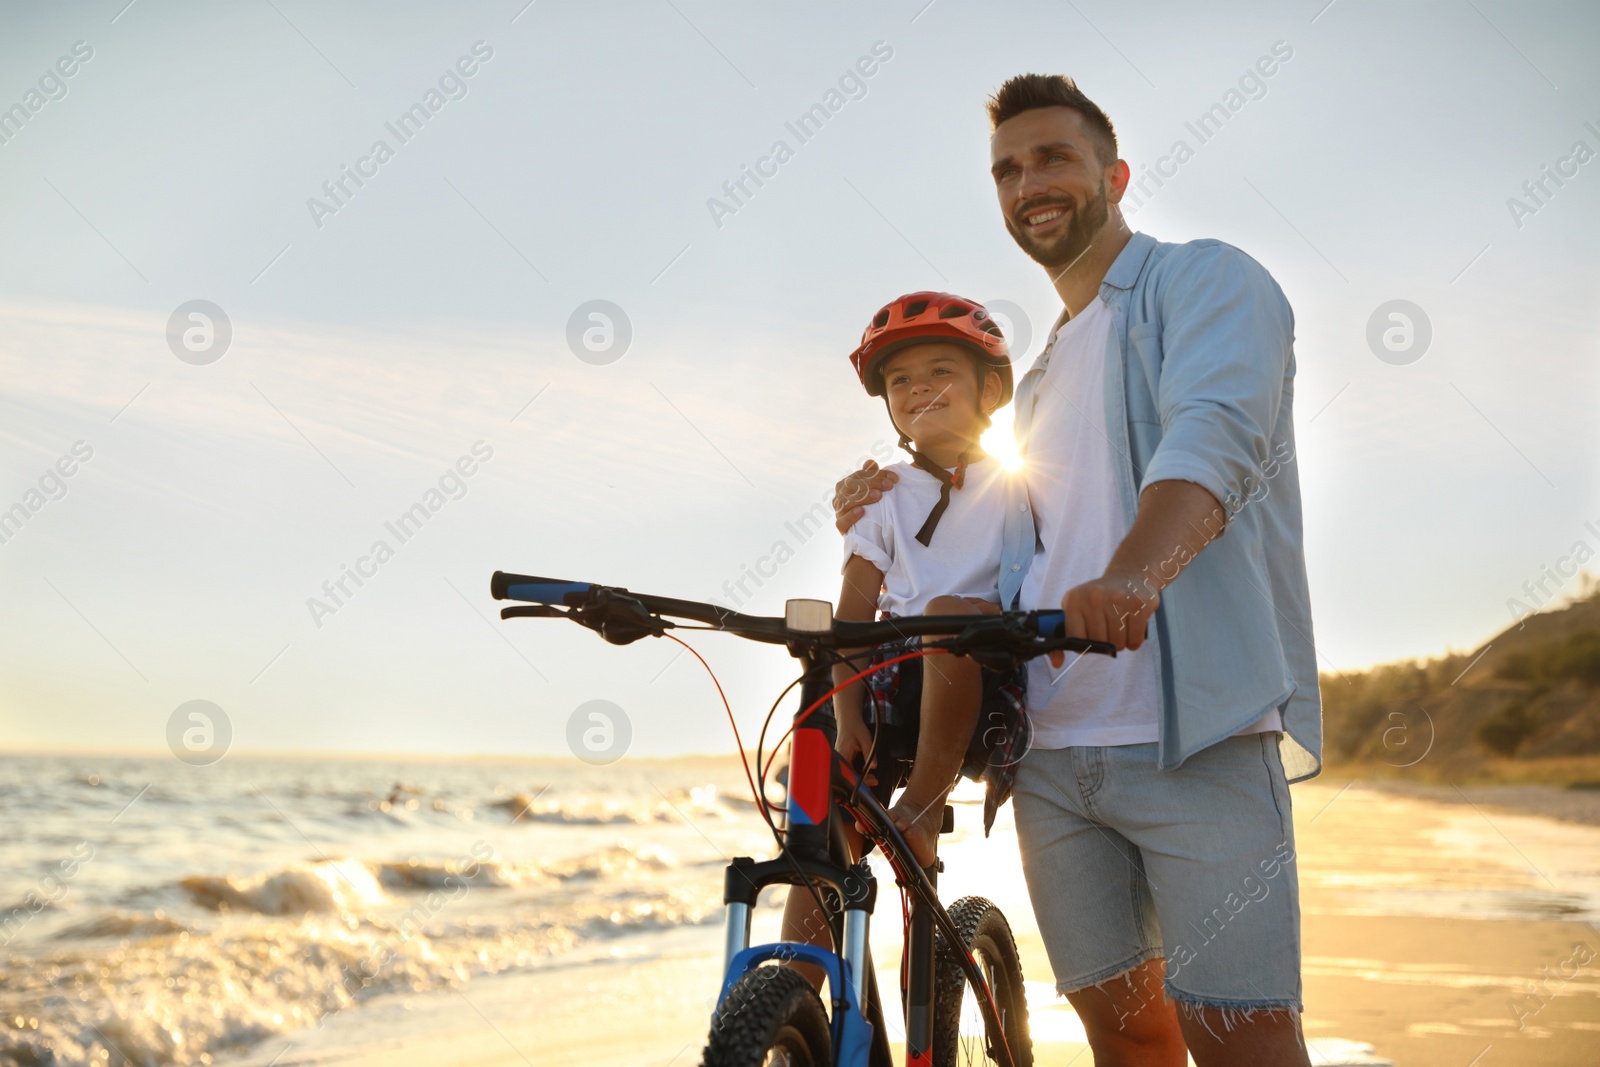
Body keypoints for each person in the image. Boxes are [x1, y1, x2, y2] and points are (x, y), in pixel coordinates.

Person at [833, 75, 1320, 1067]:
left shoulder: (1205, 281)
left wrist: (1139, 570)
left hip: (1193, 734)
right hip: (1050, 754)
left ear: (1114, 173)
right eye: (1007, 170)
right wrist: (876, 493)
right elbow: (1000, 529)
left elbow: (1215, 434)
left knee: (1240, 1031)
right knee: (1124, 1031)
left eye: (1052, 157)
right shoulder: (1045, 373)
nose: (1028, 184)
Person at [781, 290, 1034, 972]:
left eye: (938, 370)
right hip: (894, 666)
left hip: (983, 665)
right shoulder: (884, 490)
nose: (918, 386)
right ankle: (794, 990)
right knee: (822, 797)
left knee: (951, 612)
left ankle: (921, 809)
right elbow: (854, 613)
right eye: (899, 380)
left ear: (990, 388)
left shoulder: (1024, 483)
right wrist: (845, 709)